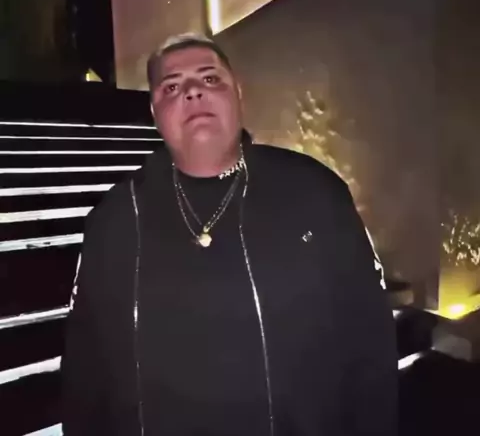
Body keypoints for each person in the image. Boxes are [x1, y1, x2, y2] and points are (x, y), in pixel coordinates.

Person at [62, 32, 398, 436]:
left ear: (238, 93)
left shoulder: (315, 194)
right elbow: (84, 370)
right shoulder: (115, 220)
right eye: (172, 87)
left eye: (209, 79)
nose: (192, 92)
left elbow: (370, 342)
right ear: (154, 111)